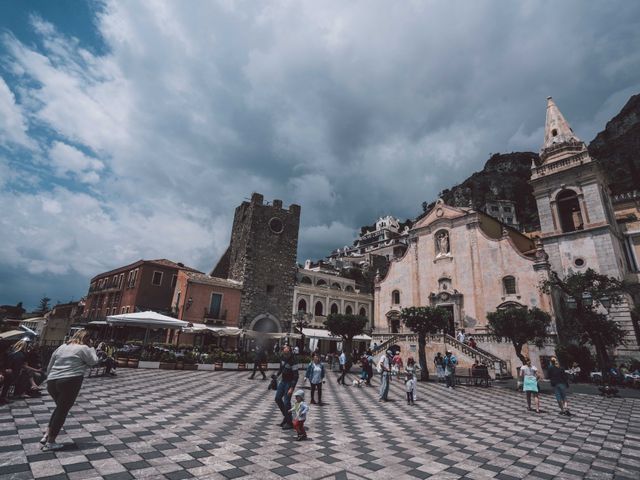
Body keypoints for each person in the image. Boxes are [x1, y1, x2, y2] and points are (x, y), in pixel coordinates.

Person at [42, 330, 99, 451]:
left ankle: (47, 433)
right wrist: (92, 348)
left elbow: (50, 365)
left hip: (52, 381)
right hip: (70, 380)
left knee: (60, 408)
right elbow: (94, 361)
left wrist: (49, 378)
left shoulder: (62, 347)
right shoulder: (83, 348)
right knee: (62, 411)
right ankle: (51, 442)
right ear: (87, 338)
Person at [274, 345, 298, 430]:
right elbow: (281, 368)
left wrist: (292, 388)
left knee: (287, 402)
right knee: (277, 398)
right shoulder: (282, 357)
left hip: (289, 382)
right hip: (283, 381)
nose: (285, 351)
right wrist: (276, 376)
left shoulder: (293, 360)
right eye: (284, 350)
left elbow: (296, 375)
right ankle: (287, 417)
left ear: (290, 351)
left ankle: (289, 422)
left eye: (286, 350)